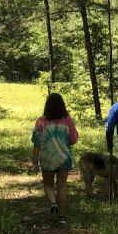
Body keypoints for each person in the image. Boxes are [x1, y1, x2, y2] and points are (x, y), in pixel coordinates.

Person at [30, 92, 79, 225]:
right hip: (64, 158)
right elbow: (74, 139)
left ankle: (53, 204)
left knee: (48, 185)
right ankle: (62, 217)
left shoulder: (41, 121)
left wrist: (34, 162)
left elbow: (36, 144)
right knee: (62, 186)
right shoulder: (67, 120)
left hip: (47, 159)